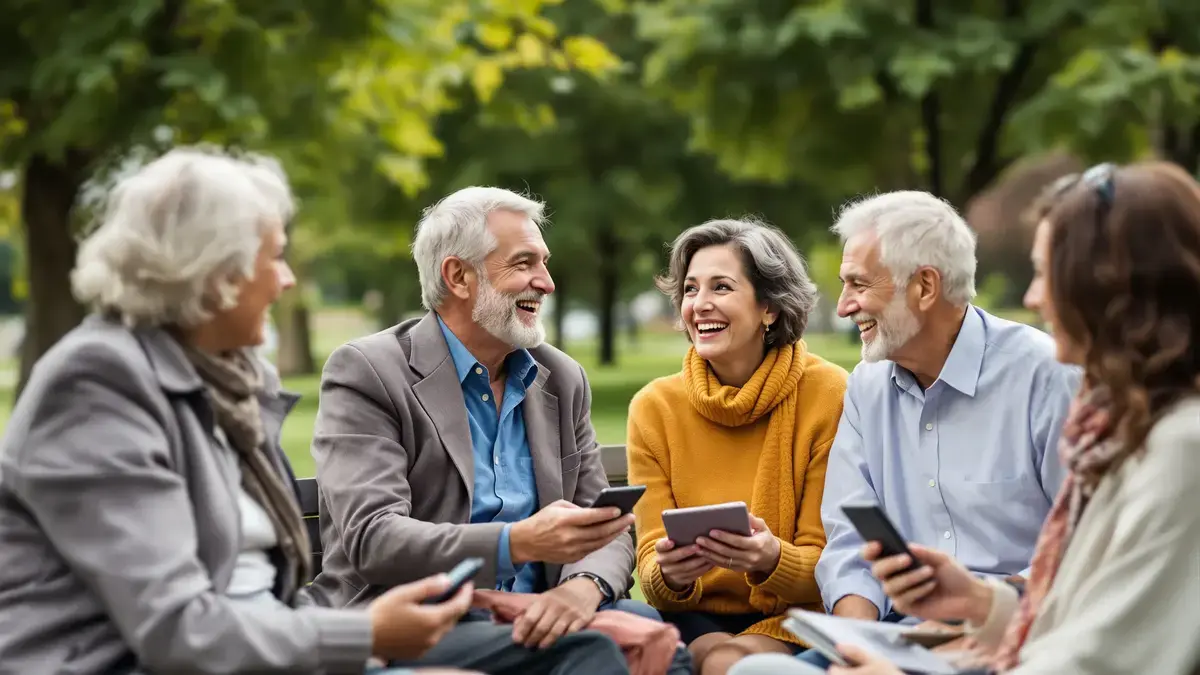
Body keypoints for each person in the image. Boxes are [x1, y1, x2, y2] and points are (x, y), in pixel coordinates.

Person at [0, 147, 487, 674]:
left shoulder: (233, 382)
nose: (287, 280)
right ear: (214, 270)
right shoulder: (97, 382)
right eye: (274, 257)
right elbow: (176, 627)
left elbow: (255, 596)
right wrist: (366, 632)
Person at [732, 161, 1200, 674]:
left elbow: (1100, 650)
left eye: (1046, 273)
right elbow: (848, 542)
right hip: (938, 635)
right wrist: (971, 602)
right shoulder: (1132, 429)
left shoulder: (1170, 442)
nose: (1032, 297)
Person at [309, 186, 688, 674]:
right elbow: (373, 538)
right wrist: (520, 542)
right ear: (458, 276)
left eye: (544, 263)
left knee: (662, 642)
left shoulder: (561, 377)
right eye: (524, 263)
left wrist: (583, 588)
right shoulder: (368, 371)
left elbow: (606, 525)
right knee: (602, 650)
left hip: (542, 612)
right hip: (419, 620)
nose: (546, 283)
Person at [797, 191, 1078, 668]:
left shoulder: (1047, 376)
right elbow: (849, 544)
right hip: (900, 641)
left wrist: (974, 611)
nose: (844, 307)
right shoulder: (866, 387)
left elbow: (1077, 546)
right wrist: (858, 647)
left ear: (924, 286)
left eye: (859, 285)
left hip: (1018, 639)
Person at [625, 218, 849, 675]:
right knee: (712, 656)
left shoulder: (828, 393)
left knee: (726, 662)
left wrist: (771, 558)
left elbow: (832, 564)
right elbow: (650, 567)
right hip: (694, 614)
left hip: (799, 612)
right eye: (690, 289)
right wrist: (669, 572)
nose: (699, 305)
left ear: (768, 307)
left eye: (721, 287)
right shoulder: (654, 408)